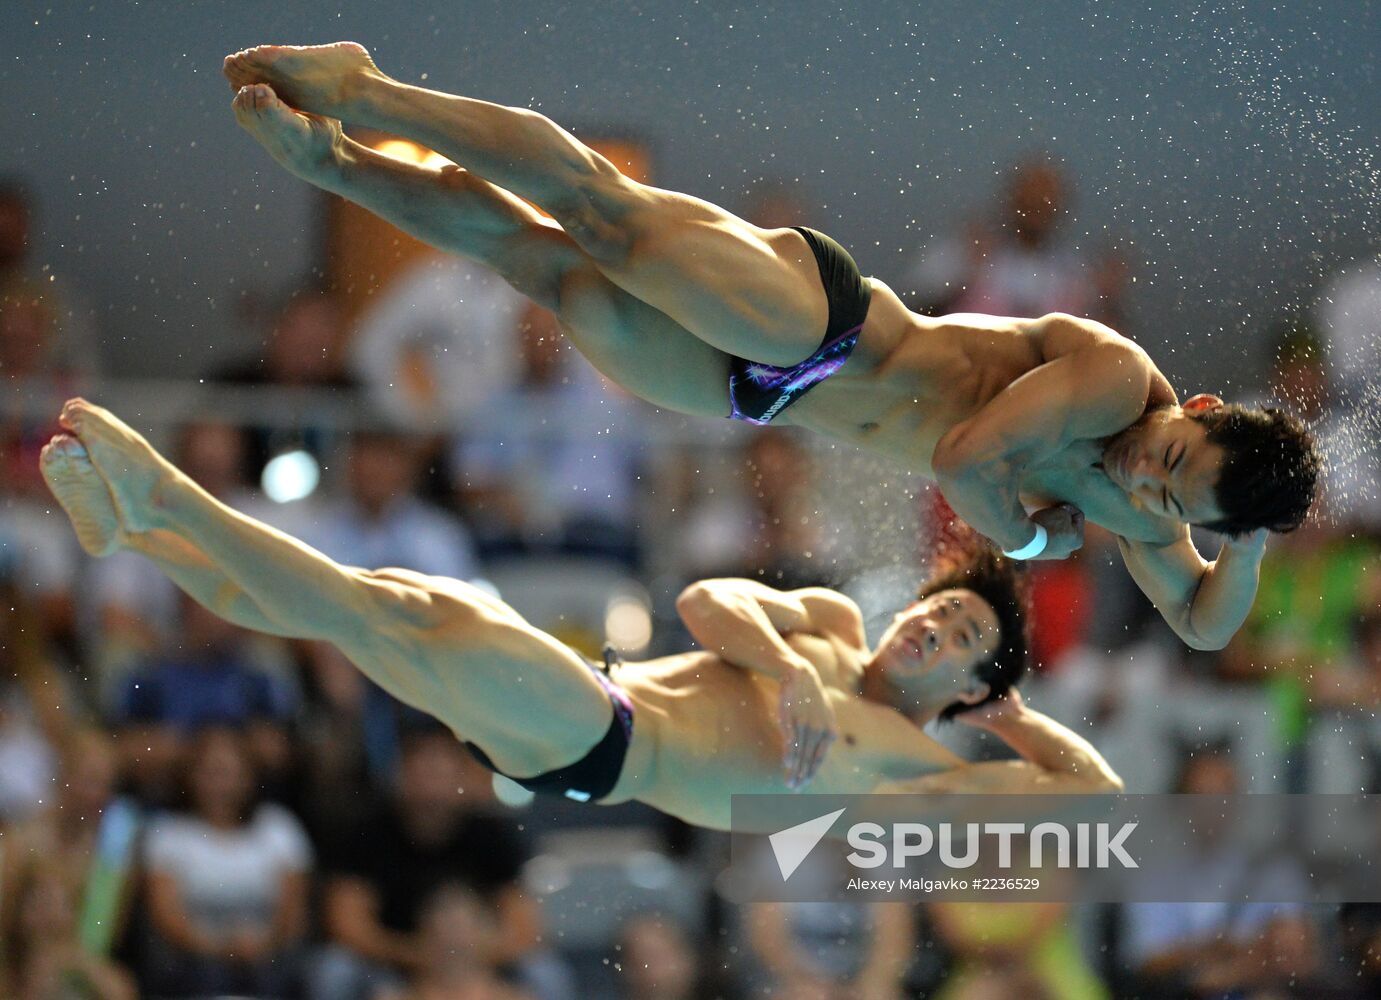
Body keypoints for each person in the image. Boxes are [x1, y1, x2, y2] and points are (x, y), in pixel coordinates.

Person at [220, 42, 1320, 651]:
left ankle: (335, 165)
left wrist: (1253, 537)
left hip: (761, 397)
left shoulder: (1153, 515)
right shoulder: (1115, 381)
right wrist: (1033, 545)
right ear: (1201, 406)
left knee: (547, 272)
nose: (1147, 477)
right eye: (1173, 455)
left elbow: (1203, 622)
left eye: (1175, 503)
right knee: (599, 210)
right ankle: (368, 91)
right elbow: (963, 457)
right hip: (826, 325)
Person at [41, 401, 1121, 810]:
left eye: (963, 639)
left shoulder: (912, 761)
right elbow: (701, 600)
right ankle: (141, 532)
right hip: (582, 707)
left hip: (608, 745)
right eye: (941, 608)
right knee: (373, 606)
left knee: (402, 610)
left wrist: (1014, 717)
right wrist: (788, 668)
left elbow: (1100, 806)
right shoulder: (829, 632)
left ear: (970, 682)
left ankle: (164, 494)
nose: (932, 623)